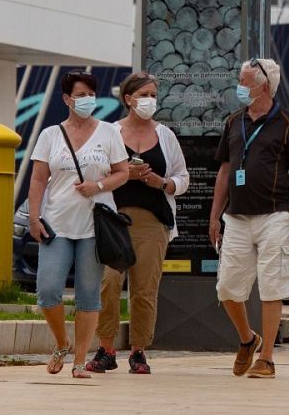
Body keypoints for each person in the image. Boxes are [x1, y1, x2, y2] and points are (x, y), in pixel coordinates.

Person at [210, 58, 289, 380]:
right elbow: (224, 170)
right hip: (236, 216)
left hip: (275, 214)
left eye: (244, 81)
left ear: (264, 86)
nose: (239, 86)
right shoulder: (233, 121)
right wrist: (214, 216)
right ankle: (248, 339)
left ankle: (267, 359)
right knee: (227, 288)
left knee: (272, 285)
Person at [27, 71, 130, 378]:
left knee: (88, 295)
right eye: (81, 95)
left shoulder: (109, 132)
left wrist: (97, 186)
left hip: (94, 227)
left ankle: (80, 360)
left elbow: (123, 172)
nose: (87, 100)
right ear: (67, 99)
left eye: (91, 94)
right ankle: (62, 342)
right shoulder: (50, 135)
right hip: (56, 223)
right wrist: (34, 217)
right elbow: (38, 179)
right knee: (47, 290)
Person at [90, 72, 189, 374]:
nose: (150, 101)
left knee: (144, 288)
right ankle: (106, 348)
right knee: (108, 283)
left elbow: (182, 178)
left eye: (154, 95)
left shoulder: (166, 135)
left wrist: (162, 182)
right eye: (144, 95)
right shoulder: (109, 132)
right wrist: (124, 175)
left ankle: (139, 351)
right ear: (128, 99)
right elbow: (94, 174)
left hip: (153, 221)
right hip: (114, 219)